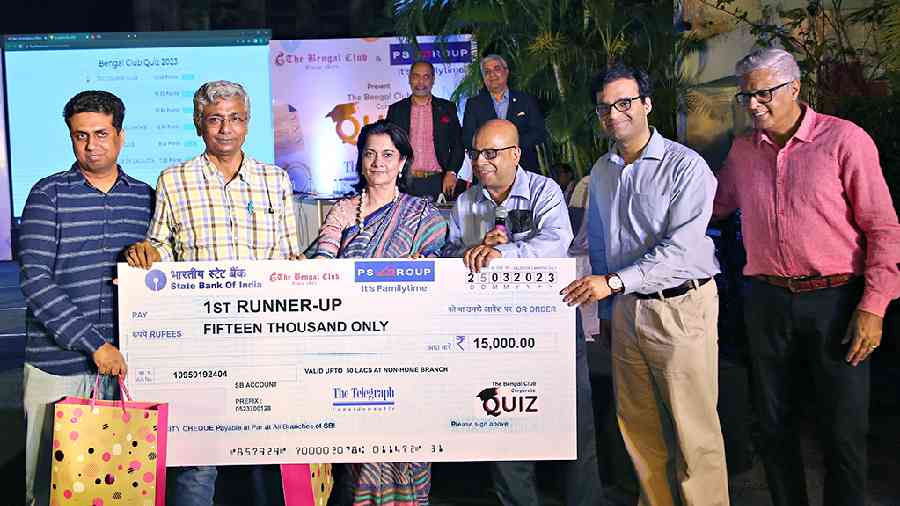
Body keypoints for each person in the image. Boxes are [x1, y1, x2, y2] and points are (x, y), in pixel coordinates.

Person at [713, 48, 900, 506]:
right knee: (774, 428)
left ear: (794, 88)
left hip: (836, 302)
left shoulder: (844, 140)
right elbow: (712, 209)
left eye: (763, 94)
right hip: (767, 301)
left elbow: (883, 227)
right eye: (746, 96)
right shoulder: (742, 150)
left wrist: (873, 306)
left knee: (843, 433)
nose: (753, 104)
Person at [125, 80, 324, 506]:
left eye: (235, 118)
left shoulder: (274, 180)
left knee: (269, 453)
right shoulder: (173, 179)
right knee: (197, 459)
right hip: (200, 343)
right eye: (215, 119)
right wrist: (148, 254)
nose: (226, 129)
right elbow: (161, 246)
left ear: (247, 124)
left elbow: (288, 253)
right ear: (199, 125)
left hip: (265, 340)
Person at [562, 63, 729, 506]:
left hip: (681, 309)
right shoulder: (601, 171)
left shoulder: (686, 167)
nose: (614, 113)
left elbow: (683, 248)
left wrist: (614, 283)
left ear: (647, 104)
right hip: (626, 310)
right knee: (639, 430)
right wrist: (610, 307)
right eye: (604, 107)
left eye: (624, 103)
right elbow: (597, 244)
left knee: (695, 434)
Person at [444, 119, 604, 506]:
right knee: (504, 427)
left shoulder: (543, 192)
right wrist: (472, 249)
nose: (481, 162)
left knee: (574, 428)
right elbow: (450, 254)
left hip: (551, 325)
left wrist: (501, 254)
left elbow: (556, 245)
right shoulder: (467, 202)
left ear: (516, 154)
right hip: (494, 333)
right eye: (475, 154)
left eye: (491, 153)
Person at [21, 90, 154, 506]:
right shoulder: (48, 195)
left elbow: (159, 268)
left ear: (120, 135)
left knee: (116, 487)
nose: (91, 145)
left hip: (125, 370)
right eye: (81, 136)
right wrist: (94, 344)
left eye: (101, 133)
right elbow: (35, 280)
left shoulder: (145, 198)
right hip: (55, 366)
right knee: (48, 488)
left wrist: (156, 256)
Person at [308, 119, 446, 504]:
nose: (378, 162)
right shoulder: (344, 210)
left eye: (388, 154)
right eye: (370, 154)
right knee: (360, 450)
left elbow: (437, 269)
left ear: (402, 162)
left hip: (408, 352)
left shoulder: (423, 215)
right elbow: (323, 261)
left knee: (409, 443)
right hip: (353, 352)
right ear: (360, 160)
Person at [386, 60, 464, 201]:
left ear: (433, 80)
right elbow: (388, 146)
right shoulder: (396, 110)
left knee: (437, 223)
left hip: (438, 182)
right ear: (409, 78)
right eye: (416, 76)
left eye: (426, 77)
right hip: (405, 182)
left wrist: (452, 172)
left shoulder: (447, 108)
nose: (420, 82)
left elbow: (458, 144)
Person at [462, 55, 548, 174]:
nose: (492, 75)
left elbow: (539, 132)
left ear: (506, 72)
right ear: (483, 78)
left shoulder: (526, 100)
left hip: (523, 167)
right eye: (487, 72)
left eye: (497, 69)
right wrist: (490, 150)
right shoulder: (474, 104)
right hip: (488, 169)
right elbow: (468, 137)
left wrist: (509, 147)